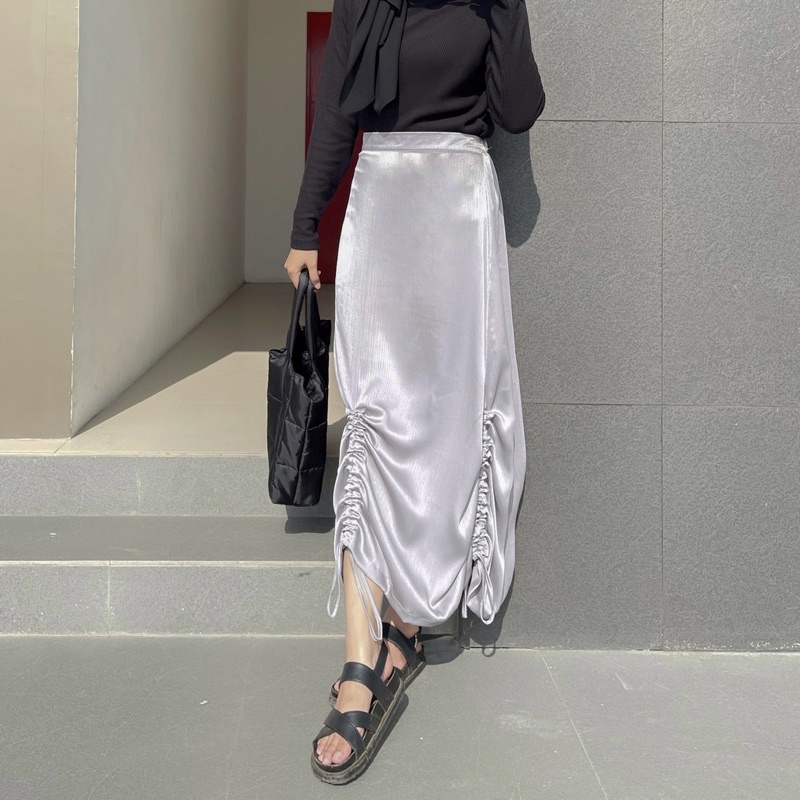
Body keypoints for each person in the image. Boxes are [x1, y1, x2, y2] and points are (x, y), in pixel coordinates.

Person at [283, 0, 545, 784]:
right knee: (374, 420)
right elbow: (338, 116)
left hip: (460, 212)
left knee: (449, 429)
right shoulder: (365, 2)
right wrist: (304, 227)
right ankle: (359, 664)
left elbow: (517, 109)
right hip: (384, 209)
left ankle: (405, 627)